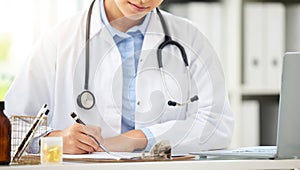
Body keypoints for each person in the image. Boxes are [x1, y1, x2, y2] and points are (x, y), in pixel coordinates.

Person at [5, 0, 234, 154]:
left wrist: (135, 139)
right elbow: (12, 129)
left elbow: (217, 125)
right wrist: (54, 141)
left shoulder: (190, 38)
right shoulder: (58, 41)